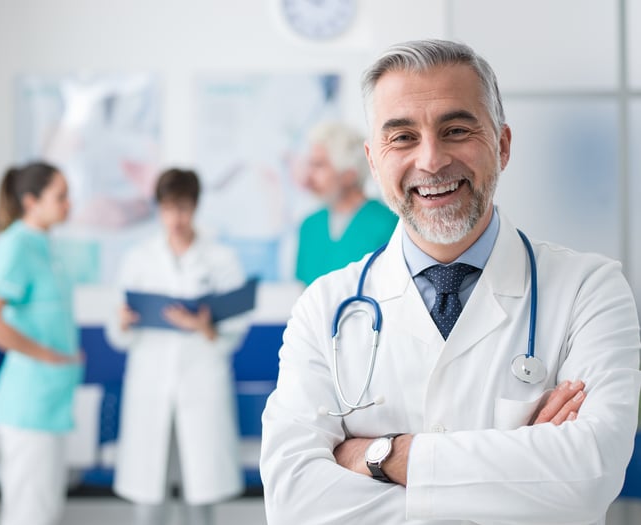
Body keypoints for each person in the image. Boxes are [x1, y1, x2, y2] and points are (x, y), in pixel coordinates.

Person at [260, 39, 641, 524]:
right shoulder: (324, 307)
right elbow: (295, 501)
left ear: (502, 145)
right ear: (373, 161)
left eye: (457, 129)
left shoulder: (591, 290)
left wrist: (378, 456)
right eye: (402, 138)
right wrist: (521, 468)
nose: (432, 160)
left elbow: (588, 477)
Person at [106, 168, 248, 525]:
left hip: (201, 383)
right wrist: (123, 322)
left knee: (200, 496)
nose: (176, 218)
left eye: (184, 208)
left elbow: (236, 330)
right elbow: (117, 333)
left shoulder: (221, 259)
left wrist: (205, 327)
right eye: (169, 209)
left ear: (196, 206)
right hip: (150, 385)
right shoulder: (138, 258)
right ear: (158, 208)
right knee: (148, 498)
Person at [0, 162, 83, 525]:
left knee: (45, 512)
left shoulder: (45, 246)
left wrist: (66, 357)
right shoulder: (16, 244)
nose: (69, 203)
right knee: (29, 515)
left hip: (51, 404)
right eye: (61, 196)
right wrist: (49, 357)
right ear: (31, 201)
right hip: (29, 404)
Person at [295, 120, 397, 285]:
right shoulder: (310, 226)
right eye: (310, 164)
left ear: (350, 173)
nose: (309, 175)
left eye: (319, 165)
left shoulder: (388, 224)